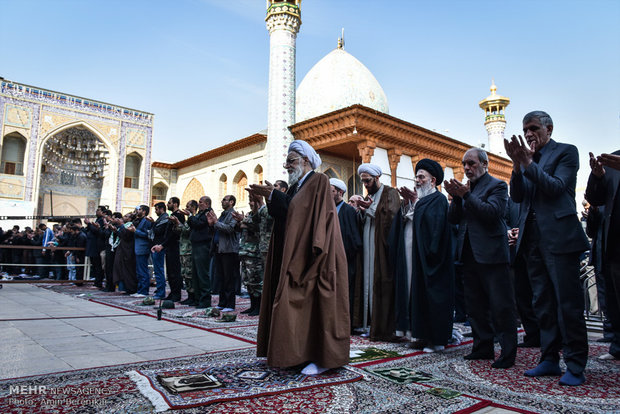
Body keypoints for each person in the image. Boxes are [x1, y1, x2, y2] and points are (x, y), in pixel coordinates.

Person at [249, 140, 349, 375]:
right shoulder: (296, 186)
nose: (287, 166)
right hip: (297, 253)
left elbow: (306, 214)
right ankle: (297, 354)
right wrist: (271, 199)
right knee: (296, 307)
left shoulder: (319, 181)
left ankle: (324, 359)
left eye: (291, 161)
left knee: (319, 306)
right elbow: (289, 213)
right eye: (286, 162)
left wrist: (275, 195)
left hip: (318, 256)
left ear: (306, 161)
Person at [504, 110, 590, 386]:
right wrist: (517, 166)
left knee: (568, 304)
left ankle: (576, 364)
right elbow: (516, 196)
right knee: (543, 304)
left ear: (548, 128)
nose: (528, 134)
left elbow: (555, 188)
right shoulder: (526, 160)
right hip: (532, 242)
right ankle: (549, 359)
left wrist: (527, 163)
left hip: (560, 240)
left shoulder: (566, 153)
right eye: (525, 130)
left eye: (532, 128)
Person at [445, 148, 517, 368]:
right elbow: (453, 219)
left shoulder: (497, 186)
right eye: (464, 164)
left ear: (485, 164)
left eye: (472, 163)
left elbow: (492, 213)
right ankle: (482, 347)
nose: (467, 168)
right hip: (469, 256)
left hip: (492, 255)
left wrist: (465, 195)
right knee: (475, 306)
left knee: (500, 306)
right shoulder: (467, 189)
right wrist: (457, 200)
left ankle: (507, 352)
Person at [396, 159, 454, 352]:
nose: (417, 180)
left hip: (434, 260)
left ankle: (437, 340)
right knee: (419, 297)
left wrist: (431, 253)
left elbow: (437, 230)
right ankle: (421, 335)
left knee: (434, 298)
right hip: (421, 258)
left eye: (422, 177)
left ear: (433, 180)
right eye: (417, 177)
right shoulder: (423, 201)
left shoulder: (438, 200)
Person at [354, 163, 400, 341]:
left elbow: (392, 217)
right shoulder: (370, 195)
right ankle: (368, 323)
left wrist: (370, 209)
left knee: (380, 282)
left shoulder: (390, 192)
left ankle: (382, 326)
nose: (365, 185)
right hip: (368, 242)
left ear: (377, 178)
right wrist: (362, 211)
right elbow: (366, 217)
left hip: (381, 247)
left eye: (368, 181)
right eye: (363, 182)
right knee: (367, 281)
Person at [586, 150, 620, 360]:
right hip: (613, 245)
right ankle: (617, 346)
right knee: (614, 301)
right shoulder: (612, 160)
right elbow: (594, 198)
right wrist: (597, 176)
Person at [330, 177, 362, 329]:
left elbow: (354, 238)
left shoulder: (348, 211)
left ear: (340, 192)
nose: (329, 194)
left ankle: (345, 325)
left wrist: (343, 256)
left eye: (332, 191)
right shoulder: (326, 209)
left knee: (345, 292)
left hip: (345, 260)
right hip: (328, 260)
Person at [207, 195, 240, 311]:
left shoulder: (233, 215)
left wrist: (216, 222)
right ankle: (222, 302)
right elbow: (217, 229)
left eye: (225, 200)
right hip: (219, 249)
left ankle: (230, 304)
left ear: (231, 202)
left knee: (228, 278)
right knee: (220, 277)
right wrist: (212, 224)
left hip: (228, 250)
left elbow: (230, 229)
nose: (222, 201)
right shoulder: (222, 214)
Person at [234, 195, 263, 316]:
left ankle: (259, 307)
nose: (250, 203)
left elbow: (259, 227)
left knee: (256, 281)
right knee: (248, 281)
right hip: (245, 252)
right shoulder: (249, 214)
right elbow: (241, 228)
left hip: (255, 253)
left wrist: (244, 222)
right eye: (249, 200)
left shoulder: (261, 213)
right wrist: (239, 223)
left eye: (252, 201)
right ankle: (252, 306)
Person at [186, 196, 215, 308]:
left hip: (203, 246)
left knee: (202, 274)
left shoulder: (208, 213)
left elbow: (198, 224)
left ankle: (205, 300)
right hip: (196, 245)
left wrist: (190, 216)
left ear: (207, 204)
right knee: (196, 274)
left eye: (201, 202)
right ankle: (197, 299)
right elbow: (193, 224)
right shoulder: (200, 213)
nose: (199, 204)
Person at [130, 205, 153, 298]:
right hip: (138, 247)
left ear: (144, 211)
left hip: (143, 248)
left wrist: (136, 231)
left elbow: (148, 234)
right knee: (139, 271)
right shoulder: (138, 220)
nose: (137, 211)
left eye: (139, 210)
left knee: (143, 270)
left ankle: (144, 291)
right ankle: (140, 290)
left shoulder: (146, 221)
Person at [164, 197, 185, 302]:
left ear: (175, 204)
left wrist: (163, 244)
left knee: (175, 271)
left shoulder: (179, 215)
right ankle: (172, 293)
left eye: (169, 203)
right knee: (170, 271)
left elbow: (175, 233)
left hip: (175, 246)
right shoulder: (172, 215)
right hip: (169, 247)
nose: (167, 204)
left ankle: (176, 294)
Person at [150, 202, 172, 300]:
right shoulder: (160, 219)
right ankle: (159, 290)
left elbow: (158, 231)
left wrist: (153, 224)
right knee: (157, 270)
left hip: (160, 247)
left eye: (157, 209)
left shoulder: (165, 219)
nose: (155, 211)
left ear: (162, 209)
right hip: (156, 246)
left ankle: (161, 292)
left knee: (159, 270)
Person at [179, 200, 197, 305]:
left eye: (188, 206)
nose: (186, 208)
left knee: (190, 274)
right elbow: (183, 231)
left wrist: (190, 215)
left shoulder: (193, 218)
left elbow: (188, 231)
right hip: (183, 250)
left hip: (189, 250)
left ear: (194, 207)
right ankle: (189, 295)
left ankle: (193, 296)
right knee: (185, 274)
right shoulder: (188, 219)